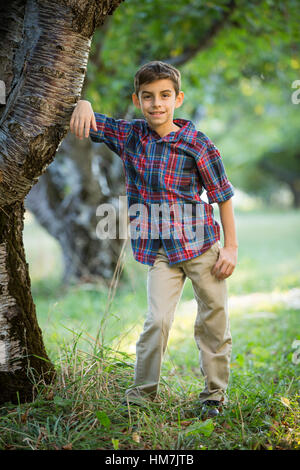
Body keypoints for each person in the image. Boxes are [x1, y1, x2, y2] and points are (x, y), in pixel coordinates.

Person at [70, 60, 238, 418]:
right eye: (148, 97)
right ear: (137, 100)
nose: (156, 104)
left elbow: (223, 196)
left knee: (213, 318)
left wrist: (231, 248)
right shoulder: (131, 135)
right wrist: (82, 103)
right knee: (157, 320)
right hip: (160, 250)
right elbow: (92, 121)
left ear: (178, 98)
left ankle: (215, 395)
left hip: (201, 246)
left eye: (164, 96)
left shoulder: (197, 144)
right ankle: (141, 394)